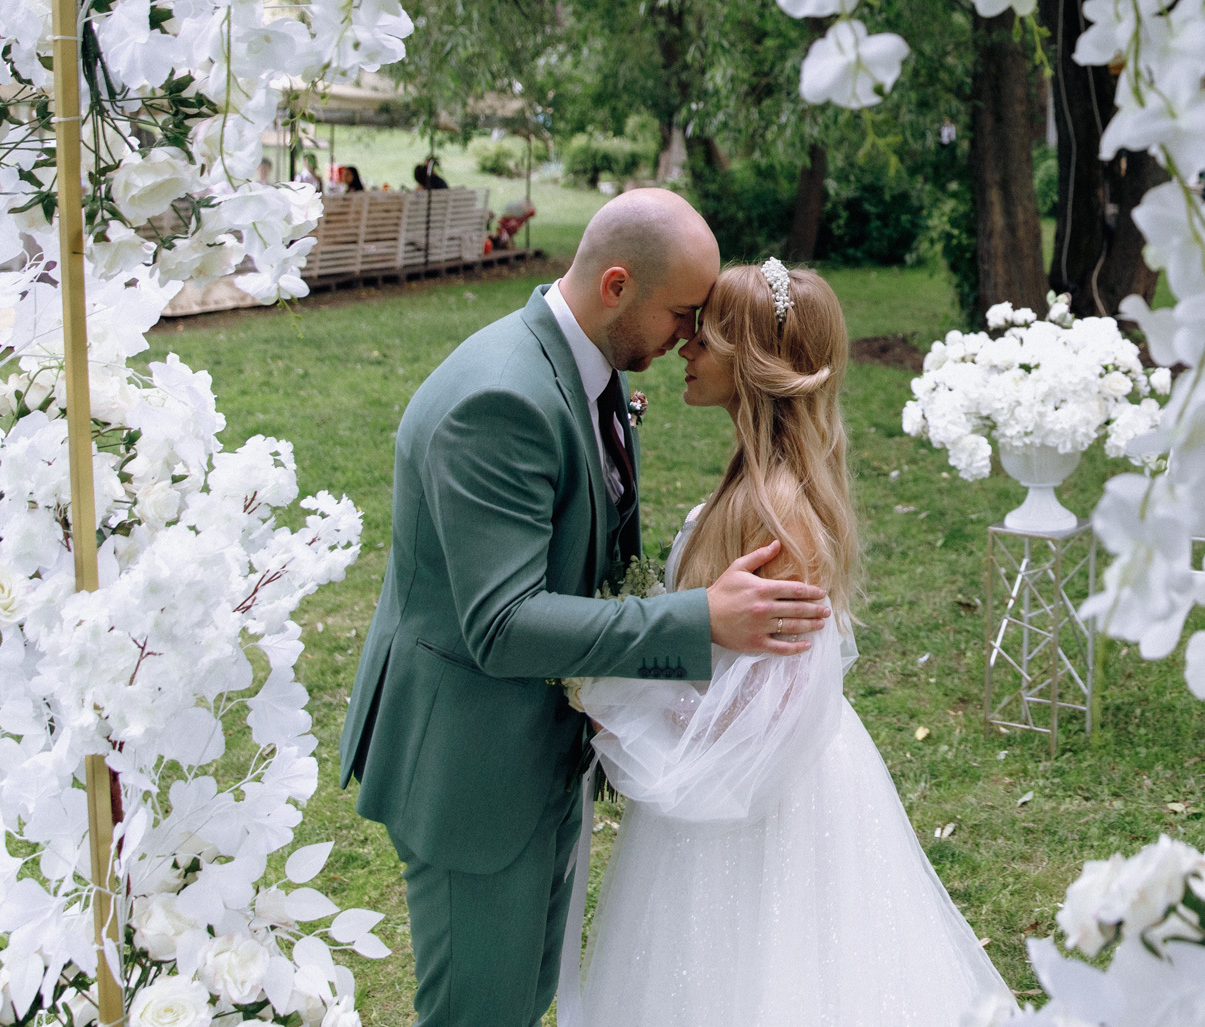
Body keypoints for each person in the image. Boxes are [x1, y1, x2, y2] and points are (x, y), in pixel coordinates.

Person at [337, 191, 835, 1027]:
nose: (692, 335)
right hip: (473, 770)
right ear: (615, 285)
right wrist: (697, 619)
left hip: (537, 752)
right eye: (683, 313)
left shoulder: (590, 368)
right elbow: (502, 625)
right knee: (477, 1012)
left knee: (522, 997)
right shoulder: (502, 399)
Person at [571, 260, 1012, 1026]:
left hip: (759, 807)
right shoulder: (755, 483)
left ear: (753, 363)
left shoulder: (776, 514)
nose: (685, 348)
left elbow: (764, 708)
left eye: (704, 337)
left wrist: (623, 705)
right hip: (751, 786)